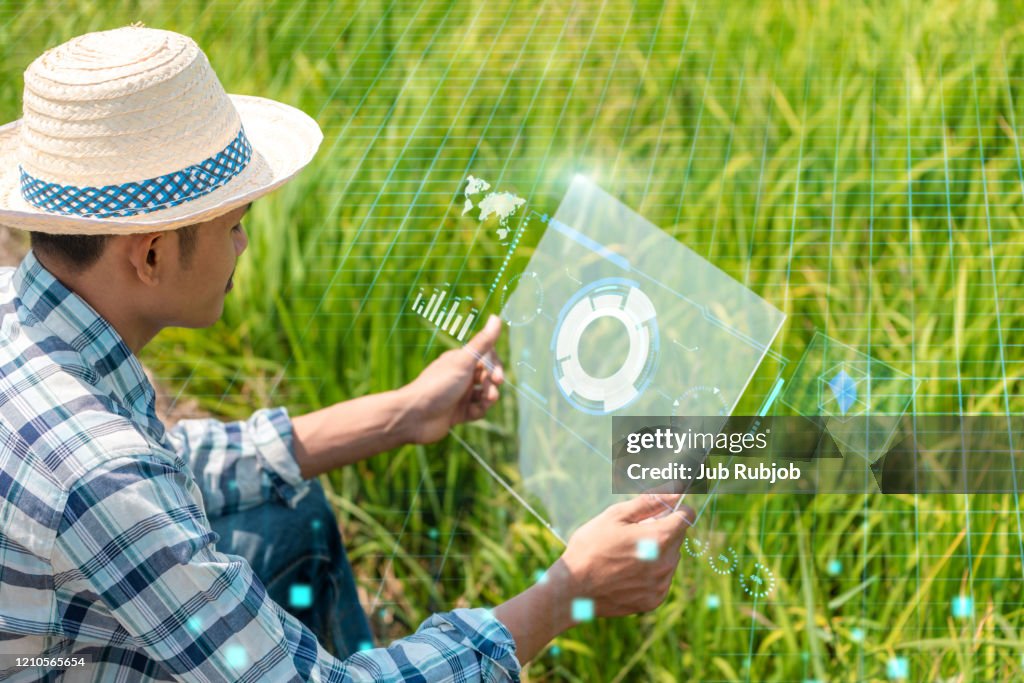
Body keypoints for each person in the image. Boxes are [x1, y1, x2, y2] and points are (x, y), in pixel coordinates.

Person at [0, 25, 695, 682]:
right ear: (150, 253)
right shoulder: (100, 470)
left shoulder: (26, 318)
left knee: (288, 511)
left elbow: (169, 467)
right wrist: (568, 592)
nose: (242, 244)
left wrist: (399, 414)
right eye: (235, 224)